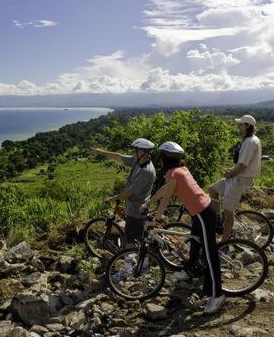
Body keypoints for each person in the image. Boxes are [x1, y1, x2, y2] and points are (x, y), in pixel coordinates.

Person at [143, 141, 225, 314]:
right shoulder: (180, 170)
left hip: (203, 213)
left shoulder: (174, 173)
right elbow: (165, 191)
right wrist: (150, 202)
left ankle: (217, 295)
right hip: (203, 210)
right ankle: (190, 270)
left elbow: (166, 199)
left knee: (210, 254)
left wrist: (156, 217)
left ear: (165, 157)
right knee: (195, 243)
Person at [90, 138, 156, 246]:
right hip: (135, 206)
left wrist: (114, 198)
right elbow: (119, 156)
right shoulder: (138, 161)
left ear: (142, 152)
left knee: (129, 242)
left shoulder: (146, 171)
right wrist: (100, 152)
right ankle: (142, 258)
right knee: (139, 239)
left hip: (136, 211)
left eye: (135, 151)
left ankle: (130, 262)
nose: (132, 153)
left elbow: (129, 192)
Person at [209, 115, 262, 241]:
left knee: (228, 213)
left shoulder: (249, 142)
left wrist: (230, 173)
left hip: (239, 180)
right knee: (213, 189)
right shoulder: (251, 140)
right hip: (237, 177)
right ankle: (218, 220)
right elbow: (241, 164)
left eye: (240, 124)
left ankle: (224, 242)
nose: (238, 126)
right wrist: (231, 170)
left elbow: (243, 166)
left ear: (247, 126)